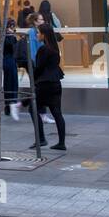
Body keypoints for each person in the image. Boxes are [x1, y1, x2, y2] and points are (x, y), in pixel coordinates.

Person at [32, 22, 66, 150]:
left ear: (44, 34)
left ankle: (41, 139)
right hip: (56, 82)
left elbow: (39, 68)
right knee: (57, 112)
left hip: (44, 84)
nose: (37, 34)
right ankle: (61, 142)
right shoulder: (55, 48)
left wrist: (34, 76)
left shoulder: (43, 49)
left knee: (33, 109)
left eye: (38, 32)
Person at [0, 19, 21, 121]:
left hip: (9, 61)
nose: (12, 29)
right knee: (11, 83)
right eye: (11, 26)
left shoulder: (6, 37)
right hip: (9, 62)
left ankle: (9, 105)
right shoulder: (7, 38)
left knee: (10, 83)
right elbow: (13, 47)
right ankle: (11, 104)